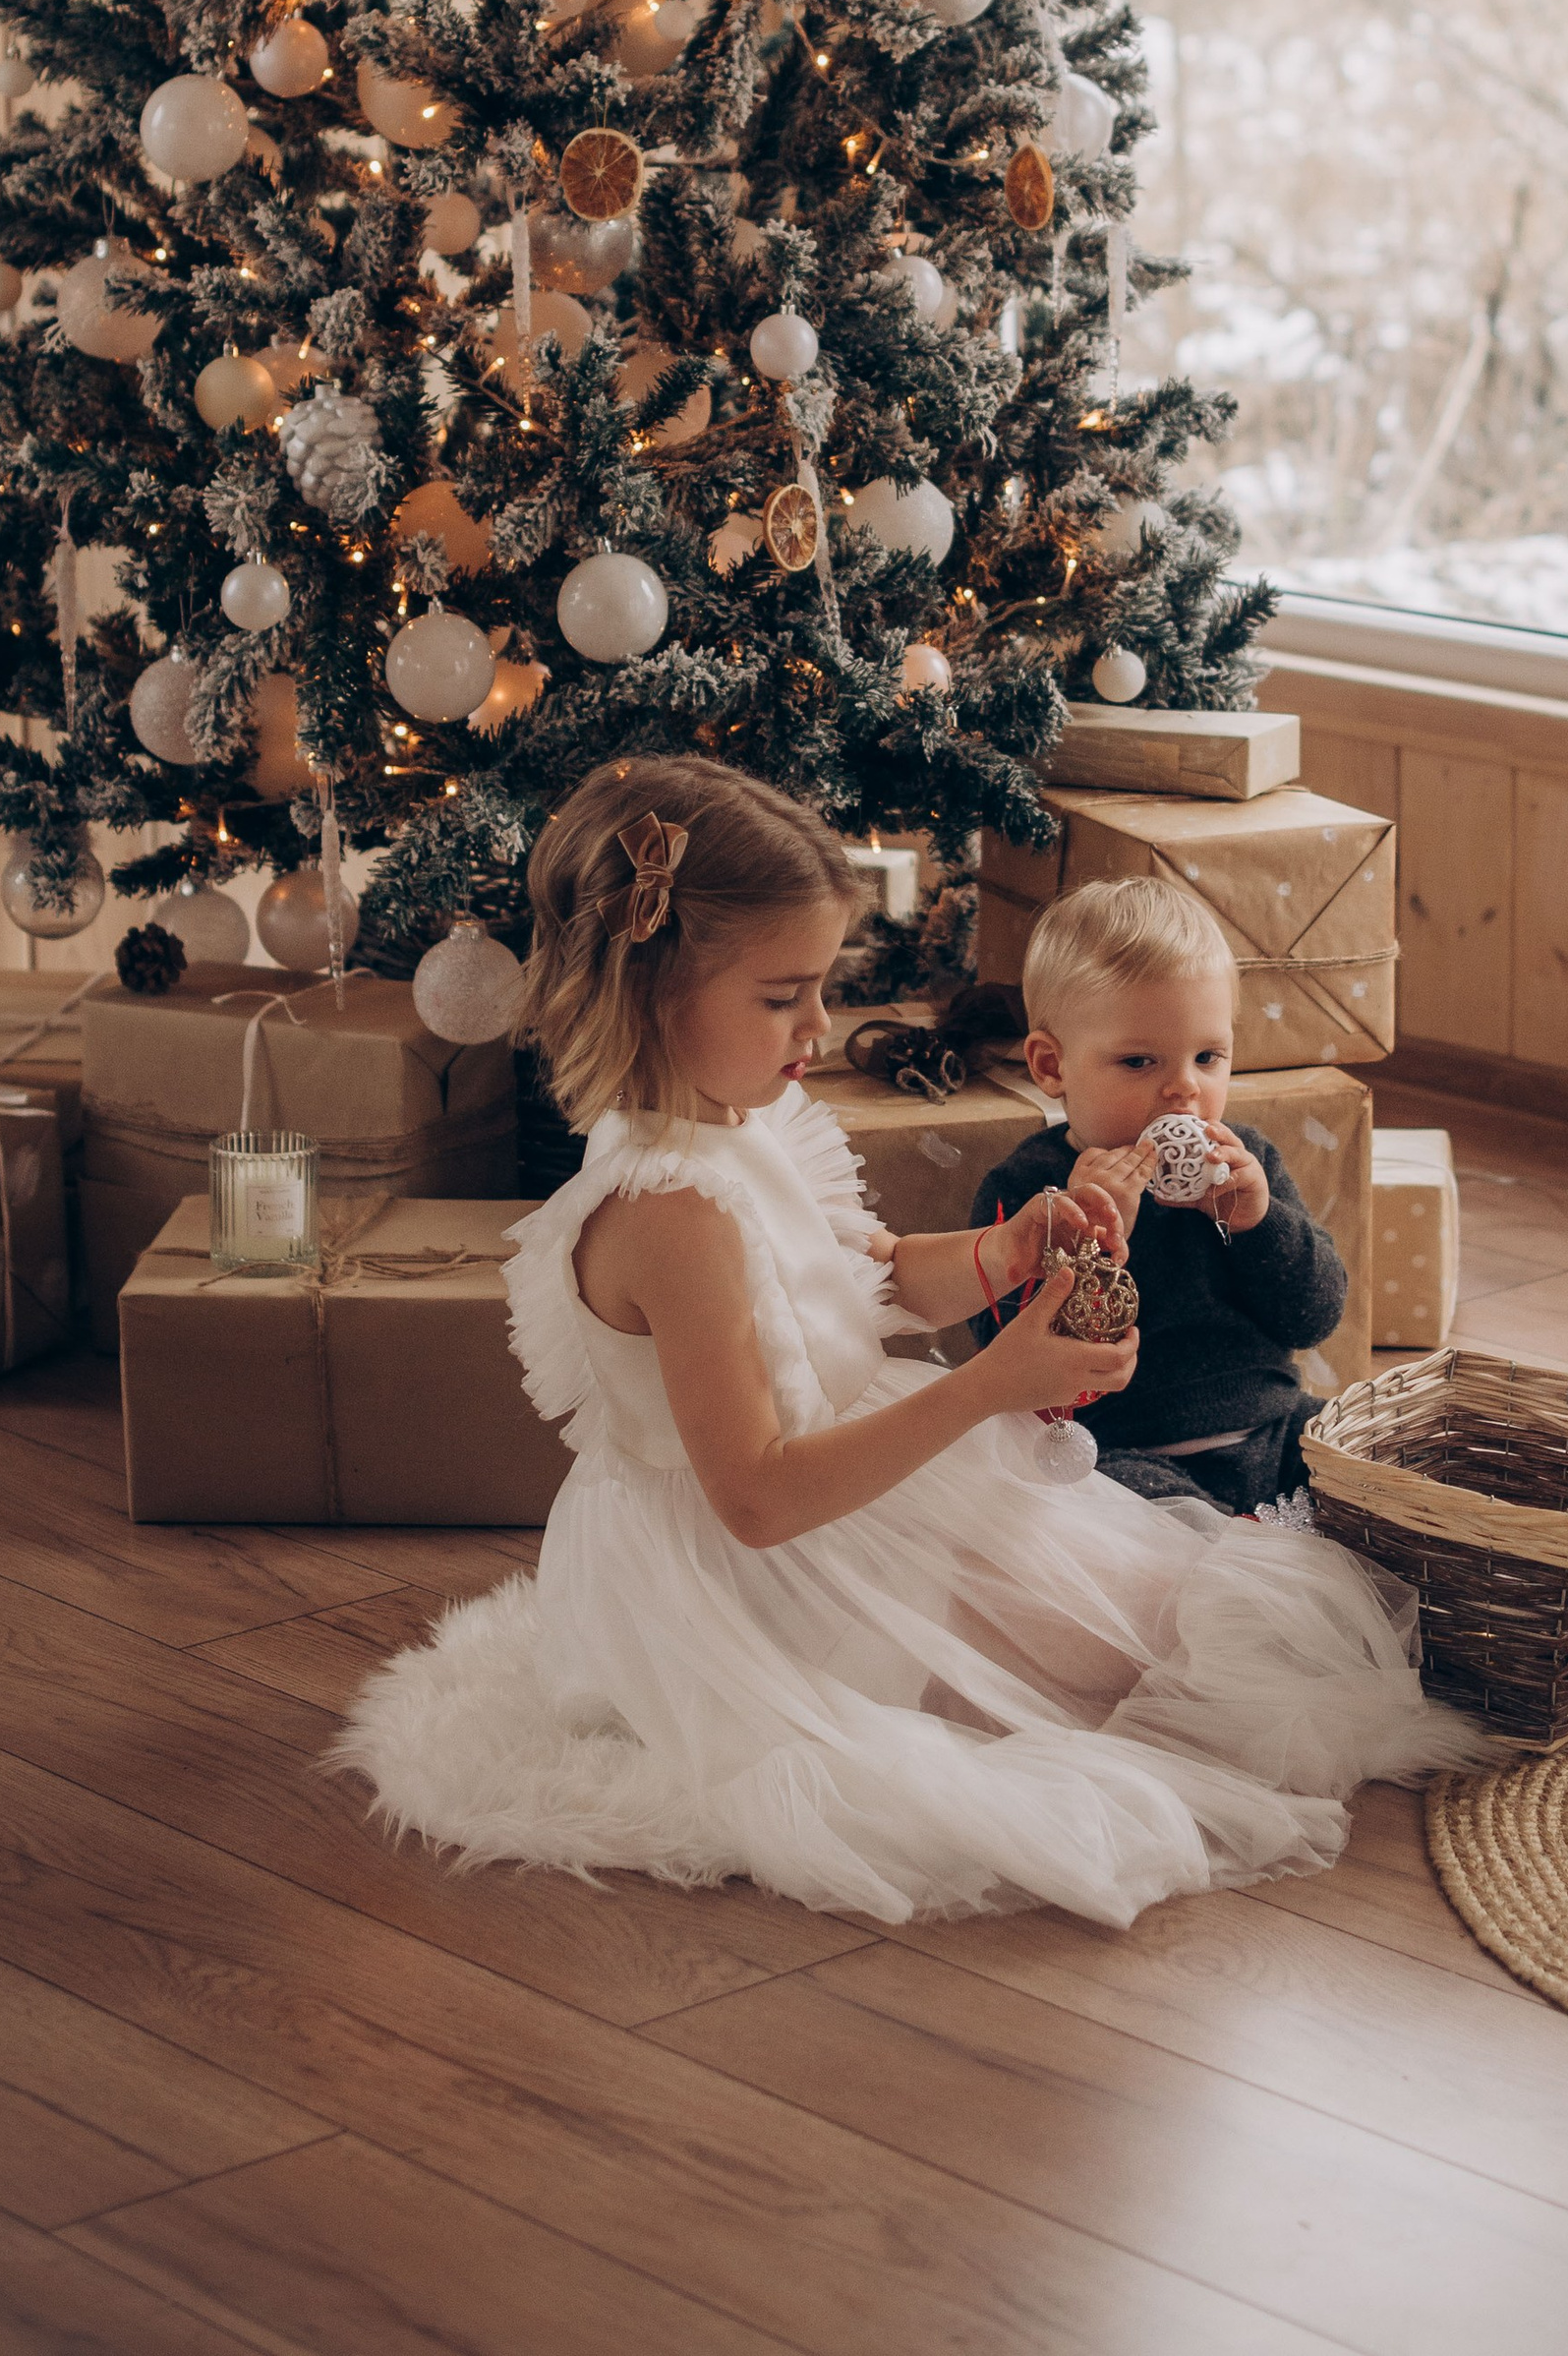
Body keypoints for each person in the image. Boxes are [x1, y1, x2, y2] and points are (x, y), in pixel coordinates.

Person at [337, 758, 1481, 1927]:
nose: (821, 1024)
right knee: (1146, 1677)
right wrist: (995, 1382)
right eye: (785, 995)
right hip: (776, 1557)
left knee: (1179, 1618)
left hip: (862, 1475)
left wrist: (1012, 1246)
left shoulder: (746, 1119)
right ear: (652, 995)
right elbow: (757, 1498)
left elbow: (868, 1269)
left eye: (819, 986)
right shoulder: (665, 1214)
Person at [970, 877, 1342, 1516]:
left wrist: (1260, 1221)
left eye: (1207, 1056)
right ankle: (1230, 1554)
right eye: (1140, 1062)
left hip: (1274, 1430)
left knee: (1358, 1449)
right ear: (1052, 1066)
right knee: (1112, 1506)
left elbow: (1313, 1317)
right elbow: (1017, 1368)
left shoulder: (1245, 1163)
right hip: (1126, 1451)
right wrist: (1091, 1242)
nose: (1184, 1090)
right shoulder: (1030, 1191)